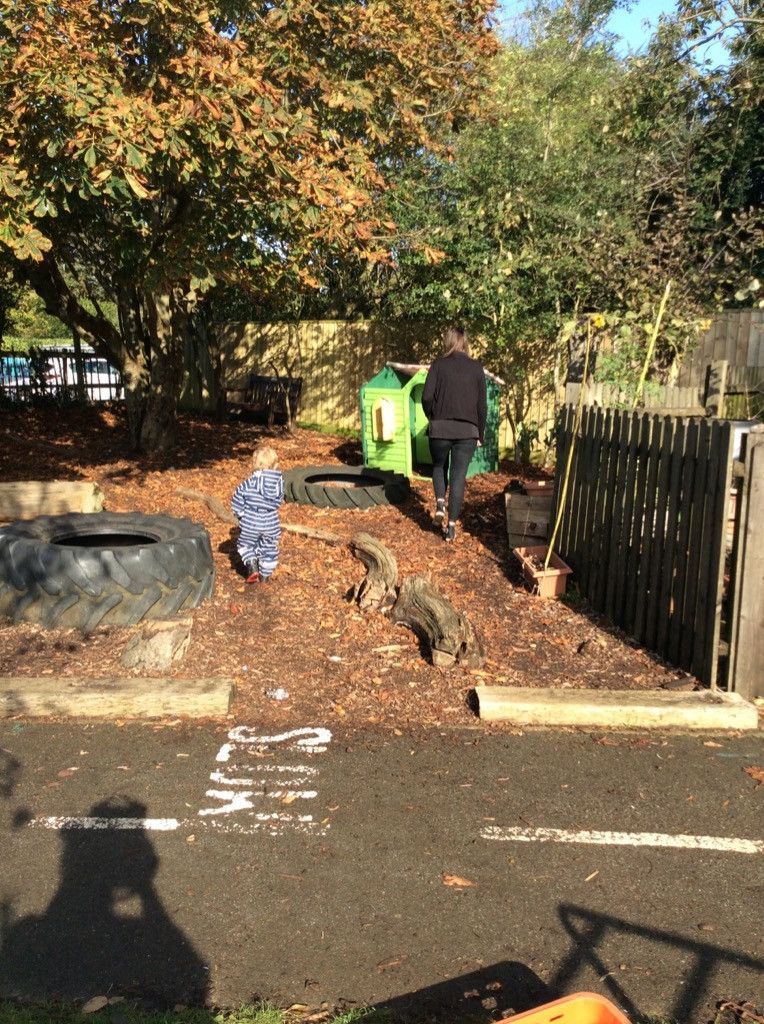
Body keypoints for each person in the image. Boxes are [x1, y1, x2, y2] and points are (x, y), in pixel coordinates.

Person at [422, 326, 487, 542]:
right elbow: (482, 406)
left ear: (448, 342)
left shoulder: (438, 365)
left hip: (440, 428)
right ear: (465, 343)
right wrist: (480, 434)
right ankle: (451, 527)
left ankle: (440, 503)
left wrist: (433, 417)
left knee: (439, 466)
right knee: (458, 476)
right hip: (468, 431)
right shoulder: (476, 368)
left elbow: (426, 397)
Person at [231, 444, 284, 583]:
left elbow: (237, 498)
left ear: (254, 464)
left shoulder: (249, 483)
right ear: (275, 465)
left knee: (245, 544)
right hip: (271, 521)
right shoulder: (279, 484)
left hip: (251, 521)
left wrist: (241, 514)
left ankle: (252, 565)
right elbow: (279, 501)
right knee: (269, 546)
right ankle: (265, 576)